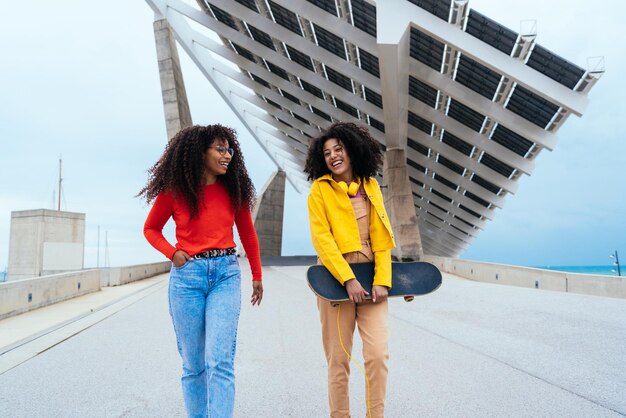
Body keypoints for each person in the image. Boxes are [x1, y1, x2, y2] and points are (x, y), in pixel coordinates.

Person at [138, 124, 263, 418]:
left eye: (229, 149)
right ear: (200, 152)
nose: (227, 155)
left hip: (225, 274)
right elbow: (150, 228)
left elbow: (248, 234)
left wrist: (257, 275)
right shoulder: (175, 191)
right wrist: (172, 252)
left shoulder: (235, 190)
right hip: (187, 280)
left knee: (220, 361)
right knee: (194, 365)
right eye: (220, 149)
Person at [304, 122, 396, 418]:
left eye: (338, 149)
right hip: (334, 282)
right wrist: (348, 279)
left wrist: (384, 279)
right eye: (327, 152)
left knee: (378, 355)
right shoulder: (320, 191)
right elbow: (323, 241)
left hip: (373, 282)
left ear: (353, 150)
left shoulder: (370, 186)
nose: (333, 156)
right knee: (338, 361)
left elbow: (382, 238)